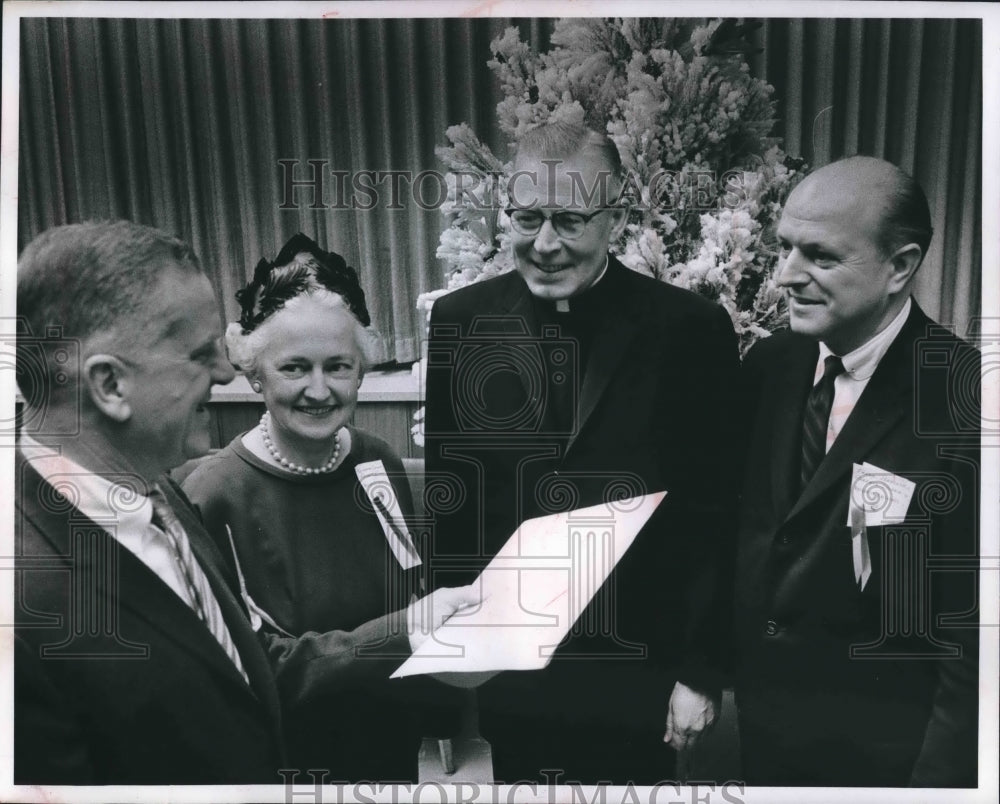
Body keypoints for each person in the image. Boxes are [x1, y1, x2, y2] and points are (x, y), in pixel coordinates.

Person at [13, 220, 476, 784]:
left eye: (339, 366)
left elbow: (240, 655)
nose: (227, 370)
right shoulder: (27, 596)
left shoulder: (156, 497)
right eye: (199, 353)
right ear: (109, 385)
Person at [423, 121, 741, 784]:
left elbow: (715, 512)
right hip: (512, 658)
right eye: (527, 217)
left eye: (569, 220)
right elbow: (450, 493)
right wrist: (446, 648)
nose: (544, 244)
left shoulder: (690, 330)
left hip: (640, 658)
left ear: (616, 217)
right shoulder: (458, 320)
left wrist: (701, 669)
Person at [733, 156, 979, 786]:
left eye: (820, 256)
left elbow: (971, 630)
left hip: (888, 759)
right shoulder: (772, 364)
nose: (785, 276)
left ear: (900, 266)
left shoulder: (966, 398)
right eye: (784, 247)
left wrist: (941, 783)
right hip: (765, 736)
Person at [182, 233, 455, 781]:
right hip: (290, 764)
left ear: (362, 370)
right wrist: (403, 631)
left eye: (338, 366)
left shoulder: (377, 462)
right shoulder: (213, 494)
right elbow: (255, 667)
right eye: (294, 368)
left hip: (392, 748)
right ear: (255, 373)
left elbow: (411, 588)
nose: (319, 389)